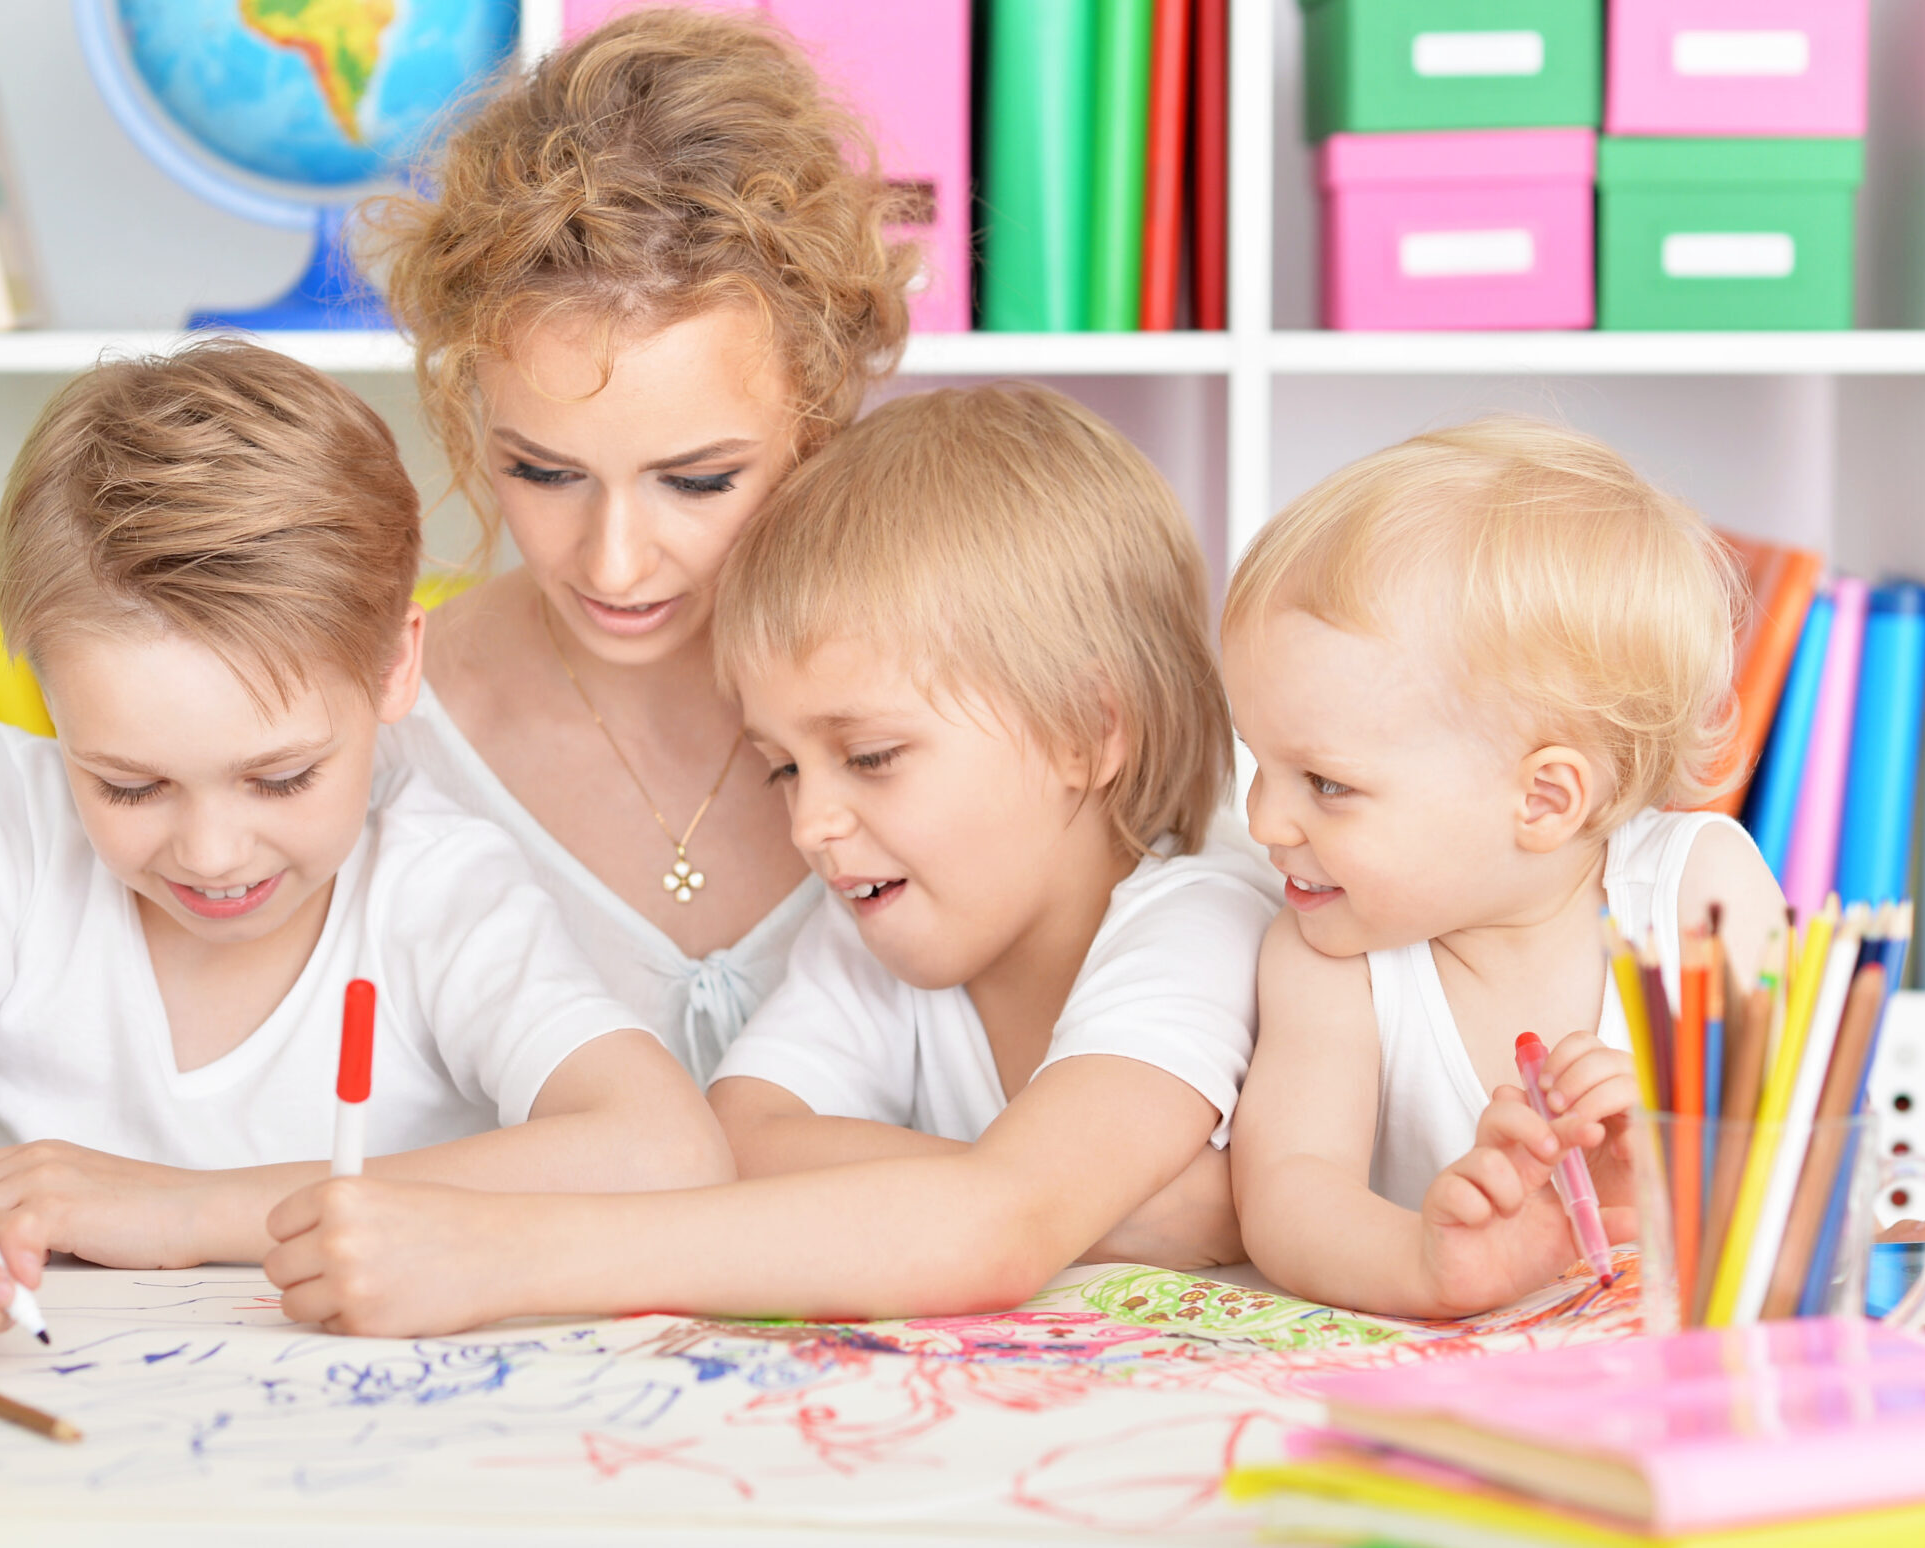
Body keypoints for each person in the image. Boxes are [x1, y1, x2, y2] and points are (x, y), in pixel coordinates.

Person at [260, 385, 1280, 1336]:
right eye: (783, 769)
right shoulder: (877, 931)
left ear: (1086, 732)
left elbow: (995, 1233)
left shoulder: (1198, 923)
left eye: (871, 758)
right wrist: (1077, 1199)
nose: (812, 826)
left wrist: (505, 1258)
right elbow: (737, 1142)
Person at [0, 342, 730, 1349]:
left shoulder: (434, 889)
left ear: (393, 669)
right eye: (128, 784)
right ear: (50, 703)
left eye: (280, 779)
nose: (209, 852)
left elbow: (664, 1152)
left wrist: (187, 1211)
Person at [363, 7, 917, 1076]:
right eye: (543, 472)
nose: (613, 564)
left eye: (698, 480)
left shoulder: (957, 714)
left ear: (815, 418)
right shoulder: (380, 738)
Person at [1221, 418, 1786, 1318]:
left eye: (1325, 783)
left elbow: (1812, 1163)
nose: (1262, 819)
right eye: (1257, 760)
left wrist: (1684, 1157)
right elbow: (1287, 1195)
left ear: (1544, 800)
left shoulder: (1700, 896)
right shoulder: (1328, 953)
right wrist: (1426, 1263)